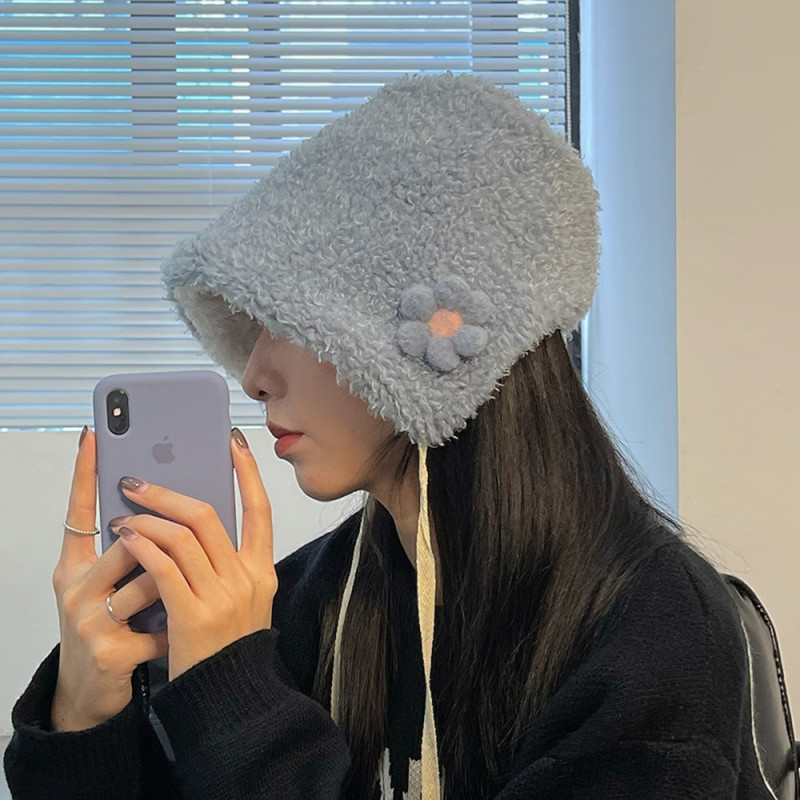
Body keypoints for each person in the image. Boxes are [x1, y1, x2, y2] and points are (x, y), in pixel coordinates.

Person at [4, 72, 772, 799]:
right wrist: (84, 712)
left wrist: (236, 694)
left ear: (414, 348)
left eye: (288, 321)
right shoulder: (315, 597)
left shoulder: (654, 631)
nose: (255, 374)